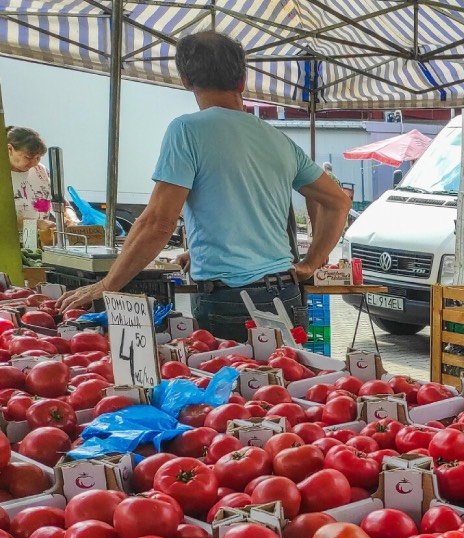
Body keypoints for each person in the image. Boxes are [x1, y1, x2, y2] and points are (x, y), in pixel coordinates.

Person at [56, 31, 351, 339]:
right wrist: (312, 262)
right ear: (242, 80)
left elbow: (157, 222)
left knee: (232, 385)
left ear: (185, 80)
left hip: (231, 301)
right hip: (286, 293)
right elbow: (338, 202)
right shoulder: (277, 139)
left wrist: (106, 285)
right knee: (283, 382)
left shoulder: (186, 130)